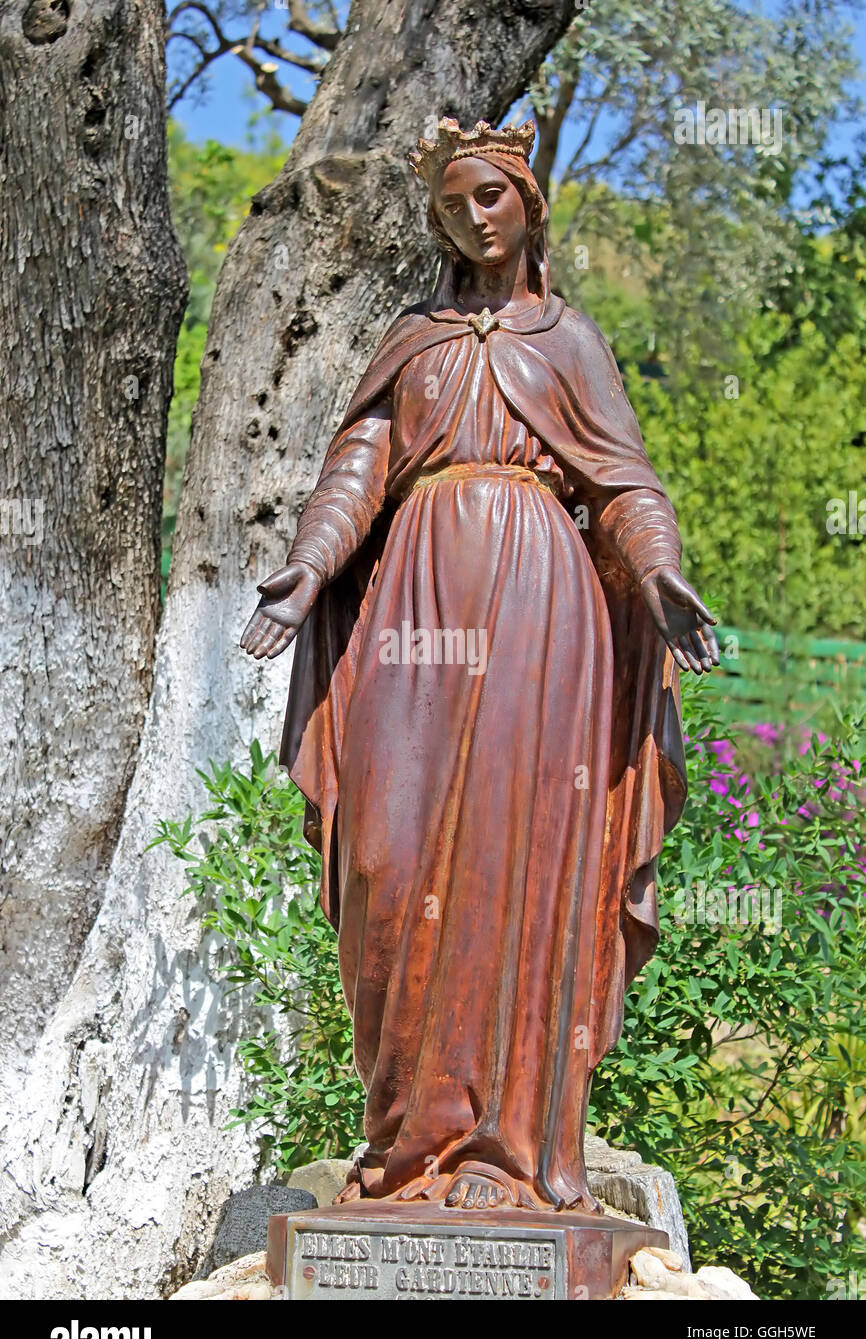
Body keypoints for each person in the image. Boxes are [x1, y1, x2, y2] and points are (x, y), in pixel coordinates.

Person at [241, 117, 719, 1213]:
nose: (471, 216)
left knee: (520, 859)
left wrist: (655, 572)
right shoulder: (412, 337)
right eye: (451, 203)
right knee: (388, 854)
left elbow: (623, 483)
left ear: (527, 201)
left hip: (540, 617)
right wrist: (310, 568)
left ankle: (509, 1153)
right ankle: (405, 1144)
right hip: (413, 600)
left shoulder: (570, 340)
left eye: (487, 196)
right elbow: (359, 465)